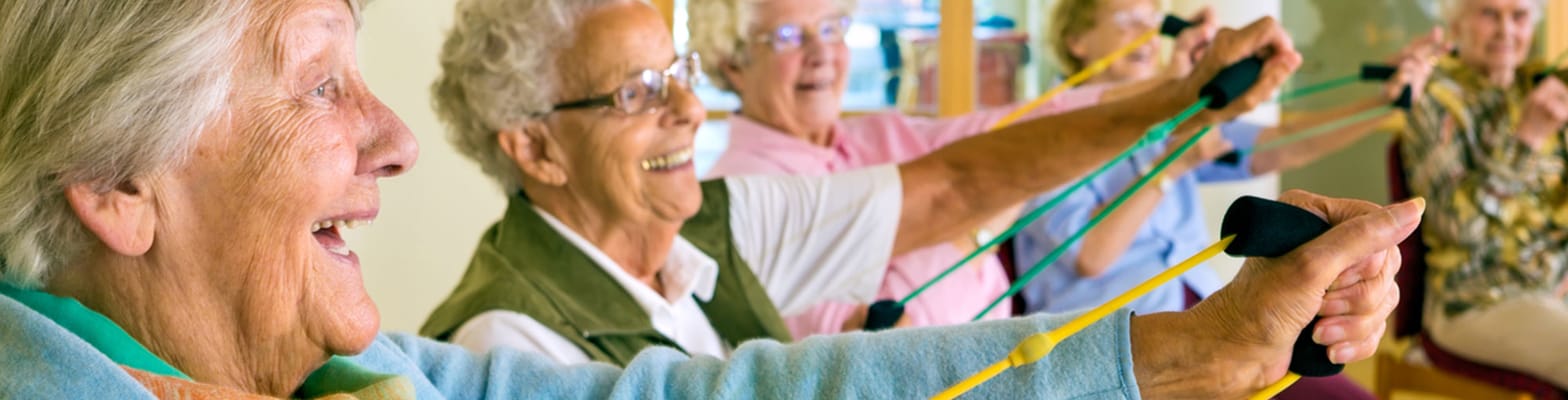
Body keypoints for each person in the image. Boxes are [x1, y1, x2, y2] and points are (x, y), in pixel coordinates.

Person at [0, 0, 1412, 398]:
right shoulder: (501, 338)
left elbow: (744, 391)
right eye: (316, 85)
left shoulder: (369, 367)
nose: (388, 143)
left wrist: (1186, 350)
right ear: (123, 185)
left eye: (690, 77)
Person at [686, 0, 1208, 337]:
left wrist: (1174, 86)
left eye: (832, 27)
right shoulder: (737, 193)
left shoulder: (878, 136)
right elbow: (880, 337)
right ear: (731, 61)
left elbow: (1020, 126)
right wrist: (975, 219)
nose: (822, 53)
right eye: (787, 37)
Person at [1014, 0, 1419, 316]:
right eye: (1128, 20)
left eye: (1152, 20)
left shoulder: (1171, 115)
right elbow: (1091, 255)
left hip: (1201, 312)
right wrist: (1169, 167)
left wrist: (1383, 106)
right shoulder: (1043, 129)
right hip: (1107, 339)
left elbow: (1284, 142)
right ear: (1077, 40)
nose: (1149, 34)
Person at [1400, 0, 1568, 389]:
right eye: (1489, 13)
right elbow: (1460, 227)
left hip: (1553, 290)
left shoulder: (1542, 89)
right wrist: (1526, 139)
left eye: (1519, 16)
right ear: (1456, 24)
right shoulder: (1434, 102)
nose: (1506, 31)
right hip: (1476, 300)